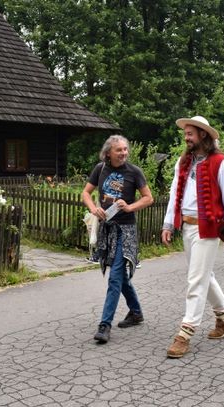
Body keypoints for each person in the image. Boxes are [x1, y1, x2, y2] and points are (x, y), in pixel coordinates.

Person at [161, 115, 224, 359]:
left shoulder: (222, 163)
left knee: (196, 279)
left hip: (209, 228)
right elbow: (175, 192)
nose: (186, 137)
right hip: (187, 225)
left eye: (189, 133)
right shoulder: (183, 162)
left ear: (202, 135)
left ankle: (185, 332)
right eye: (185, 133)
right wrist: (168, 223)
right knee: (204, 275)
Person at [82, 135, 153, 344]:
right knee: (120, 276)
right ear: (108, 153)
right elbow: (86, 193)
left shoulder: (134, 172)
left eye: (125, 149)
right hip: (107, 229)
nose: (123, 153)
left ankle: (104, 325)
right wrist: (94, 208)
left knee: (115, 277)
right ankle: (136, 312)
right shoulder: (100, 169)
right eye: (118, 150)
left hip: (126, 230)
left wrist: (130, 207)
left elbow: (149, 198)